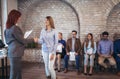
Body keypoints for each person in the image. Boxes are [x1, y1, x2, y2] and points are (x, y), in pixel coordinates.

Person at [4, 9, 34, 79]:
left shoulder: (7, 29)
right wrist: (33, 40)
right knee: (14, 73)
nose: (19, 18)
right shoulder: (14, 28)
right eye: (19, 17)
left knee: (18, 72)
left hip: (12, 52)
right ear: (14, 17)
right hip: (16, 52)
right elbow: (22, 40)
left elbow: (7, 41)